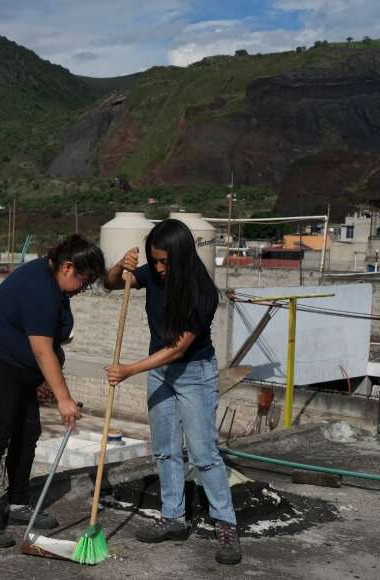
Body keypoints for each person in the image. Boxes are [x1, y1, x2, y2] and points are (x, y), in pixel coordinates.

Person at [103, 219, 242, 565]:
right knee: (165, 450)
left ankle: (226, 524)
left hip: (193, 372)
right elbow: (111, 285)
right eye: (155, 260)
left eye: (165, 262)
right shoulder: (153, 271)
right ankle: (173, 517)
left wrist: (131, 369)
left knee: (203, 453)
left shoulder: (203, 291)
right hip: (158, 370)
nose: (159, 269)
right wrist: (122, 265)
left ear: (181, 256)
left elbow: (180, 349)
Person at [0, 234, 104, 548]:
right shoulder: (40, 290)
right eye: (84, 280)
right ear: (67, 267)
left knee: (27, 432)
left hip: (17, 368)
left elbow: (44, 345)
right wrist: (64, 399)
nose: (83, 288)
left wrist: (41, 380)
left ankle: (17, 502)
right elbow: (41, 349)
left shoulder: (50, 277)